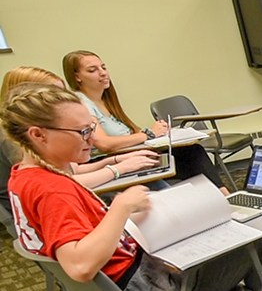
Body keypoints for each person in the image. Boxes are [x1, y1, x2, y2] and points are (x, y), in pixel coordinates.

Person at [2, 82, 262, 291]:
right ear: (38, 134)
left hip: (127, 290)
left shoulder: (25, 176)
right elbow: (80, 266)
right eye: (82, 132)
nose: (92, 140)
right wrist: (121, 208)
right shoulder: (53, 189)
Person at [62, 50, 226, 190]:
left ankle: (223, 198)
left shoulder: (107, 101)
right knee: (191, 155)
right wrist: (149, 134)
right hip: (109, 160)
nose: (103, 73)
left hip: (130, 152)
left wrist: (156, 134)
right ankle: (221, 199)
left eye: (103, 67)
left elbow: (130, 134)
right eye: (92, 70)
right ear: (77, 77)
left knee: (192, 152)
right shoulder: (81, 102)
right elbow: (104, 143)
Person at [2, 67, 160, 198]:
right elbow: (61, 183)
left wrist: (115, 161)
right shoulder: (15, 141)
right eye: (55, 94)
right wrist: (118, 170)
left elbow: (72, 170)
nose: (66, 99)